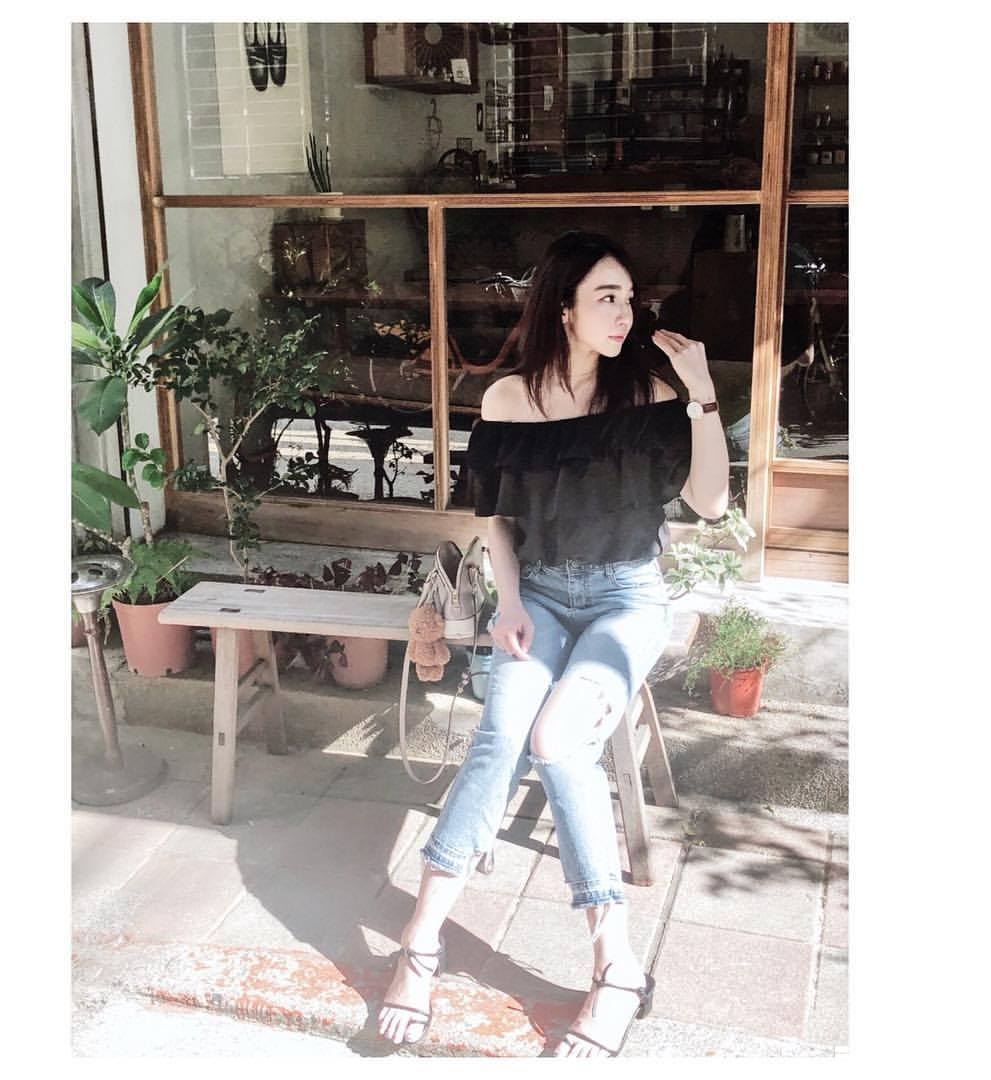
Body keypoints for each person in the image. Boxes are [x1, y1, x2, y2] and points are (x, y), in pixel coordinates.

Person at [377, 230, 730, 1057]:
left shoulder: (649, 391)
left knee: (556, 740)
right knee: (499, 736)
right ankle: (421, 941)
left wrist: (703, 393)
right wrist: (507, 602)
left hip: (625, 599)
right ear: (563, 308)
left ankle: (615, 961)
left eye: (629, 298)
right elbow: (499, 521)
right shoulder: (508, 401)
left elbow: (712, 503)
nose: (624, 313)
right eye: (605, 297)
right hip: (538, 595)